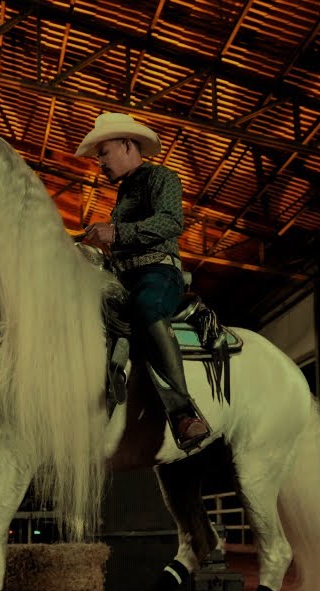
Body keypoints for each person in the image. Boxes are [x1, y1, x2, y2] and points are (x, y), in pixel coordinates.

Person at [75, 112, 210, 452]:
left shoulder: (162, 178)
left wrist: (116, 231)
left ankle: (184, 412)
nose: (99, 162)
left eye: (103, 152)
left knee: (146, 306)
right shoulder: (124, 195)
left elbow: (170, 222)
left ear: (126, 144)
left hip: (159, 274)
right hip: (125, 277)